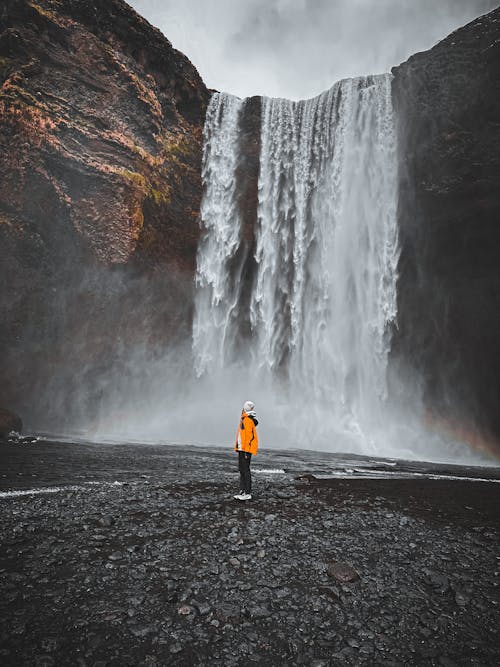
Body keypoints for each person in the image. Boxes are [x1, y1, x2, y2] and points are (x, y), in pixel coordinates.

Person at [234, 400, 259, 501]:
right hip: (242, 449)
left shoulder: (247, 420)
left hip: (245, 450)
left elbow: (248, 438)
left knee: (245, 470)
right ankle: (243, 491)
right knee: (242, 470)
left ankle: (247, 492)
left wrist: (245, 451)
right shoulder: (245, 418)